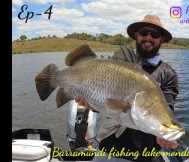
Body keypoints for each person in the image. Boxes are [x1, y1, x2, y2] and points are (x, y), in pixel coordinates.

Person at [75, 15, 179, 162]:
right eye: (144, 33)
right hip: (109, 148)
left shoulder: (168, 74)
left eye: (155, 34)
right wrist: (91, 104)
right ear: (136, 35)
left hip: (146, 153)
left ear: (161, 39)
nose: (148, 37)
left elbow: (166, 108)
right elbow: (105, 100)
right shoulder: (121, 62)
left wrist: (164, 133)